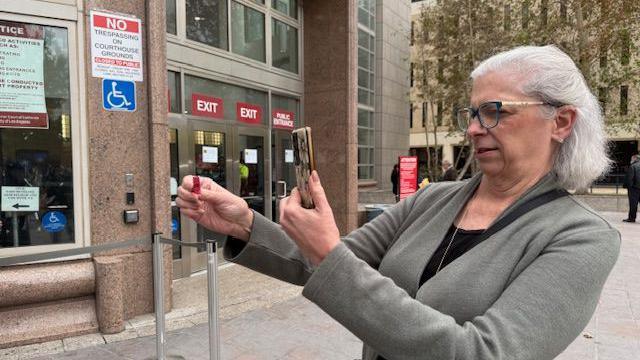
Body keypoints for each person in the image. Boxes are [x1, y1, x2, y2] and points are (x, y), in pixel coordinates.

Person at [176, 45, 620, 360]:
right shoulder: (433, 199)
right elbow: (326, 261)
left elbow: (482, 352)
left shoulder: (581, 237)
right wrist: (245, 224)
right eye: (471, 113)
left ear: (560, 121)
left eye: (495, 111)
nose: (474, 129)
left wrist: (329, 253)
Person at [623, 154, 640, 223]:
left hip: (634, 188)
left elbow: (630, 179)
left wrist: (628, 187)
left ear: (634, 159)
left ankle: (632, 218)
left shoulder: (633, 166)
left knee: (633, 204)